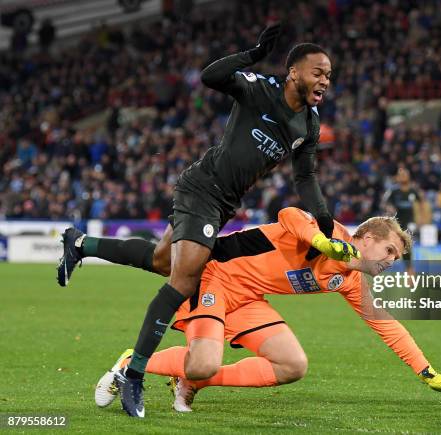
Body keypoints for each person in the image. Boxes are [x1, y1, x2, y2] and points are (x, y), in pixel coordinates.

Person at [59, 25, 359, 417]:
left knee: (162, 261)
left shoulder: (309, 124)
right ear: (294, 73)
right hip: (203, 188)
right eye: (318, 71)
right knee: (183, 280)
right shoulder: (259, 90)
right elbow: (211, 76)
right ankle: (133, 373)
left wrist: (322, 219)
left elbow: (304, 176)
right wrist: (252, 53)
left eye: (329, 74)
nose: (325, 79)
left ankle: (81, 244)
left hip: (222, 204)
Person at [94, 207, 441, 413]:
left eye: (397, 256)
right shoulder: (331, 235)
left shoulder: (350, 279)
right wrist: (319, 241)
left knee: (293, 365)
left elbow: (387, 325)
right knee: (203, 360)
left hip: (248, 299)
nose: (393, 260)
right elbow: (290, 214)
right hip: (214, 277)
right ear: (366, 238)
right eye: (390, 251)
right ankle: (134, 363)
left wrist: (427, 372)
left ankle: (193, 381)